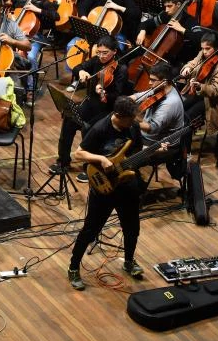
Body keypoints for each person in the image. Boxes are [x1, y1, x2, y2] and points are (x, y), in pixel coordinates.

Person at [68, 97, 163, 290]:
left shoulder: (133, 127)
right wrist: (101, 159)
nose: (133, 122)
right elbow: (78, 154)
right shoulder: (100, 129)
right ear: (118, 116)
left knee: (132, 228)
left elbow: (136, 152)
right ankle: (73, 268)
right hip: (103, 186)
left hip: (127, 184)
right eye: (130, 118)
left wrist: (154, 150)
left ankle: (128, 262)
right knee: (90, 230)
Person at [54, 36, 130, 174]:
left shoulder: (121, 69)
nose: (101, 56)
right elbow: (78, 67)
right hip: (90, 103)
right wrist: (81, 71)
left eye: (105, 52)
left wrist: (104, 93)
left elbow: (118, 96)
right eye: (98, 52)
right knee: (68, 121)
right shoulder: (97, 60)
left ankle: (90, 168)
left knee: (89, 129)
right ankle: (63, 162)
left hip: (107, 110)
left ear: (114, 51)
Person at [9, 0, 60, 100]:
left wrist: (37, 10)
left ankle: (31, 88)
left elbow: (56, 16)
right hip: (15, 33)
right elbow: (8, 4)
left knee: (30, 56)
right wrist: (9, 11)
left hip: (34, 36)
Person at [178, 32, 218, 136]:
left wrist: (200, 86)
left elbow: (216, 90)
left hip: (212, 101)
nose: (204, 51)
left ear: (216, 48)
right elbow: (194, 62)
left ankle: (186, 149)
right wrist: (188, 68)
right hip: (197, 92)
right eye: (202, 48)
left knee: (187, 117)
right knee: (179, 108)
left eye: (208, 48)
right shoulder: (202, 53)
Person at [135, 0, 200, 66]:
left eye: (169, 6)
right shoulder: (165, 16)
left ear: (178, 4)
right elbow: (146, 23)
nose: (166, 10)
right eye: (165, 6)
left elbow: (199, 38)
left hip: (178, 60)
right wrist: (142, 31)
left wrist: (182, 29)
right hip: (157, 54)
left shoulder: (190, 21)